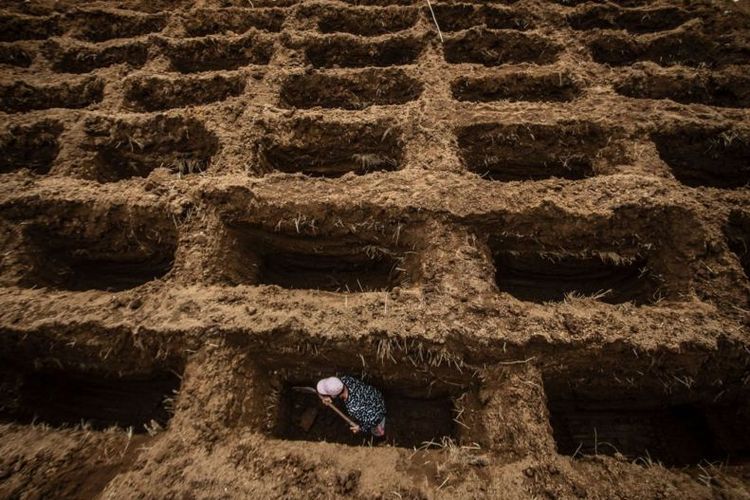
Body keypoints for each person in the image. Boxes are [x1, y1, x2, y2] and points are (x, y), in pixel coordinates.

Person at [316, 375, 386, 437]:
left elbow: (372, 419)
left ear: (334, 396)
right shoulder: (346, 379)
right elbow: (338, 392)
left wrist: (360, 428)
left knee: (375, 430)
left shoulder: (353, 408)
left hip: (378, 412)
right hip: (377, 396)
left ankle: (380, 425)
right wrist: (328, 397)